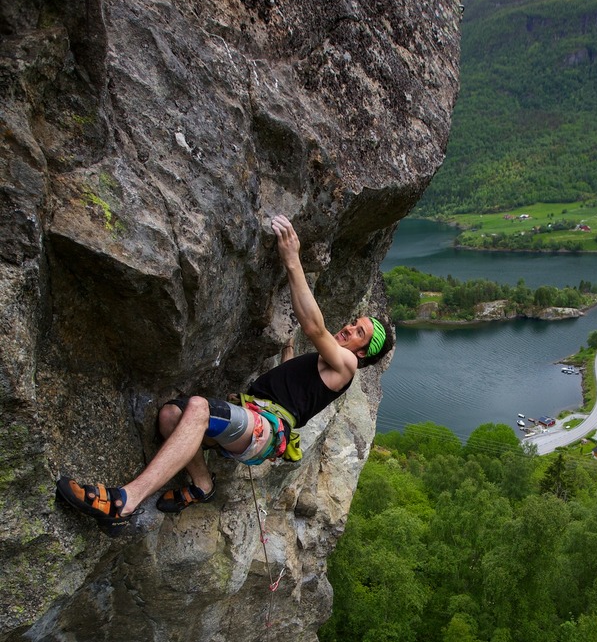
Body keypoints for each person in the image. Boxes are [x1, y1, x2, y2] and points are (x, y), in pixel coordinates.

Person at [56, 214, 393, 534]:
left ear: (362, 353)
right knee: (171, 415)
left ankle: (125, 502)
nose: (349, 328)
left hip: (265, 429)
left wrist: (292, 259)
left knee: (199, 408)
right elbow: (296, 386)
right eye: (354, 322)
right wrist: (288, 349)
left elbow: (315, 328)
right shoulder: (327, 364)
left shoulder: (347, 365)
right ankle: (202, 485)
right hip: (255, 419)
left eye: (359, 333)